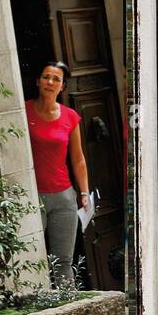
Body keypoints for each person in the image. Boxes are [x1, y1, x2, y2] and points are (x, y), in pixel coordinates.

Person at [25, 62, 91, 287]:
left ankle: (68, 306)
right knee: (32, 259)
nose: (50, 82)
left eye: (56, 79)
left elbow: (78, 158)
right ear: (37, 81)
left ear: (62, 86)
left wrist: (84, 192)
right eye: (46, 77)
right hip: (33, 200)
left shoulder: (70, 117)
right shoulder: (23, 111)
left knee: (63, 261)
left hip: (64, 198)